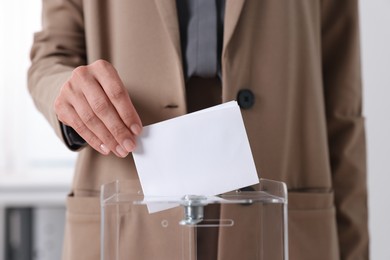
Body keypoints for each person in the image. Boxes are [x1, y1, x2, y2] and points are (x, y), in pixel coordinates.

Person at [28, 0, 369, 259]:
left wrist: (355, 248)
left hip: (280, 197)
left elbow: (342, 107)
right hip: (131, 199)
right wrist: (68, 93)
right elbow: (50, 56)